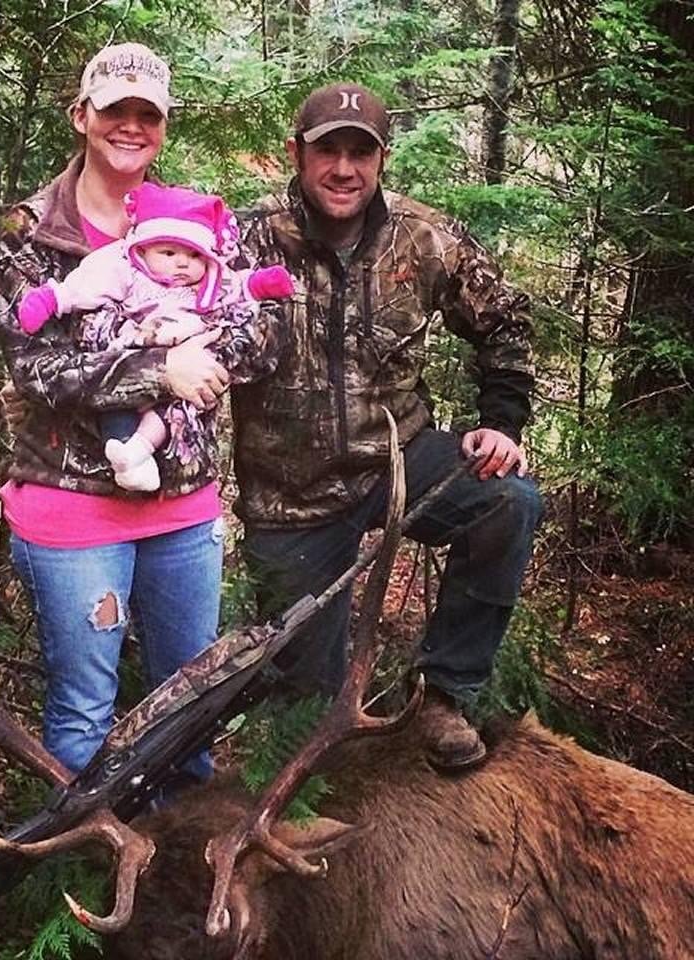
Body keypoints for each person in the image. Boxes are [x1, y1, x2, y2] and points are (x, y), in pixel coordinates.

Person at [227, 83, 544, 770]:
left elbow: (506, 321)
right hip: (291, 498)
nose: (345, 169)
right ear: (297, 154)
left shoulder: (423, 237)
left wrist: (501, 422)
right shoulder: (246, 239)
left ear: (382, 159)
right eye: (328, 151)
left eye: (360, 153)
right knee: (306, 726)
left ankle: (446, 694)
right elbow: (168, 311)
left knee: (508, 500)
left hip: (400, 461)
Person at [0, 42, 280, 780]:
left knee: (190, 713)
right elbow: (36, 367)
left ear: (163, 126)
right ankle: (84, 873)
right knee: (85, 716)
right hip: (71, 510)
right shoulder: (30, 233)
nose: (130, 125)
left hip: (182, 509)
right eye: (115, 109)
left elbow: (257, 336)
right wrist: (163, 368)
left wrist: (196, 355)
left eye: (146, 113)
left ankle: (182, 883)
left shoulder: (199, 224)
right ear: (82, 114)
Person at [15, 182, 293, 491]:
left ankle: (138, 454)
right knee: (118, 412)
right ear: (144, 248)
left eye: (193, 255)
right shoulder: (125, 270)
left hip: (185, 442)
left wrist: (260, 284)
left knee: (173, 412)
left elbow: (236, 289)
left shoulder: (205, 283)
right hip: (128, 361)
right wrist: (52, 299)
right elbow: (85, 288)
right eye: (170, 252)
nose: (182, 262)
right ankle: (127, 454)